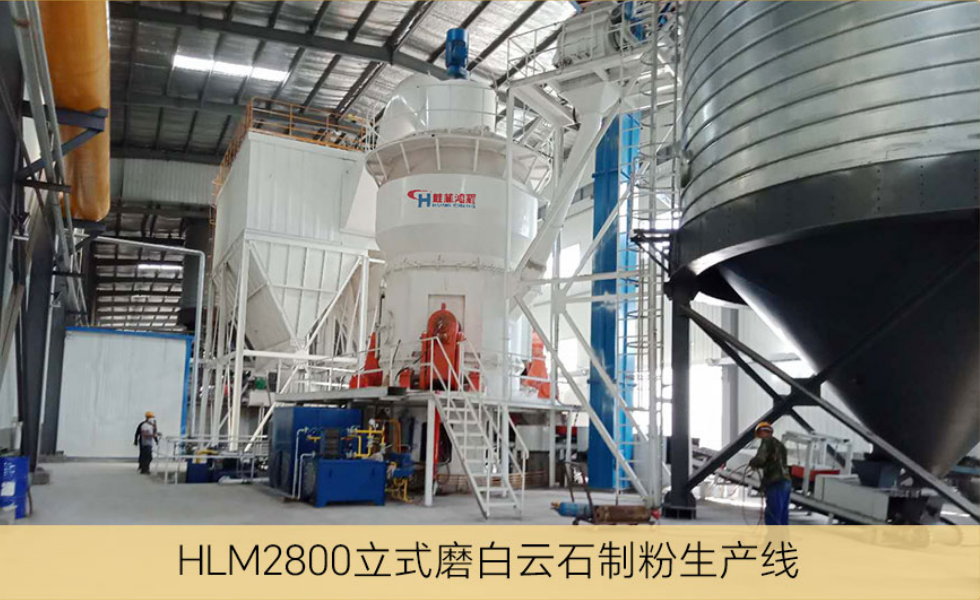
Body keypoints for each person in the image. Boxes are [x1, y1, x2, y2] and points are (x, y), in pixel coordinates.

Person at [749, 421, 791, 525]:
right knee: (782, 513)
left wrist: (753, 463)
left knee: (773, 513)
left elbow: (760, 459)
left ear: (761, 432)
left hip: (775, 481)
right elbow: (775, 461)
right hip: (786, 481)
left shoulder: (766, 441)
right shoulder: (780, 445)